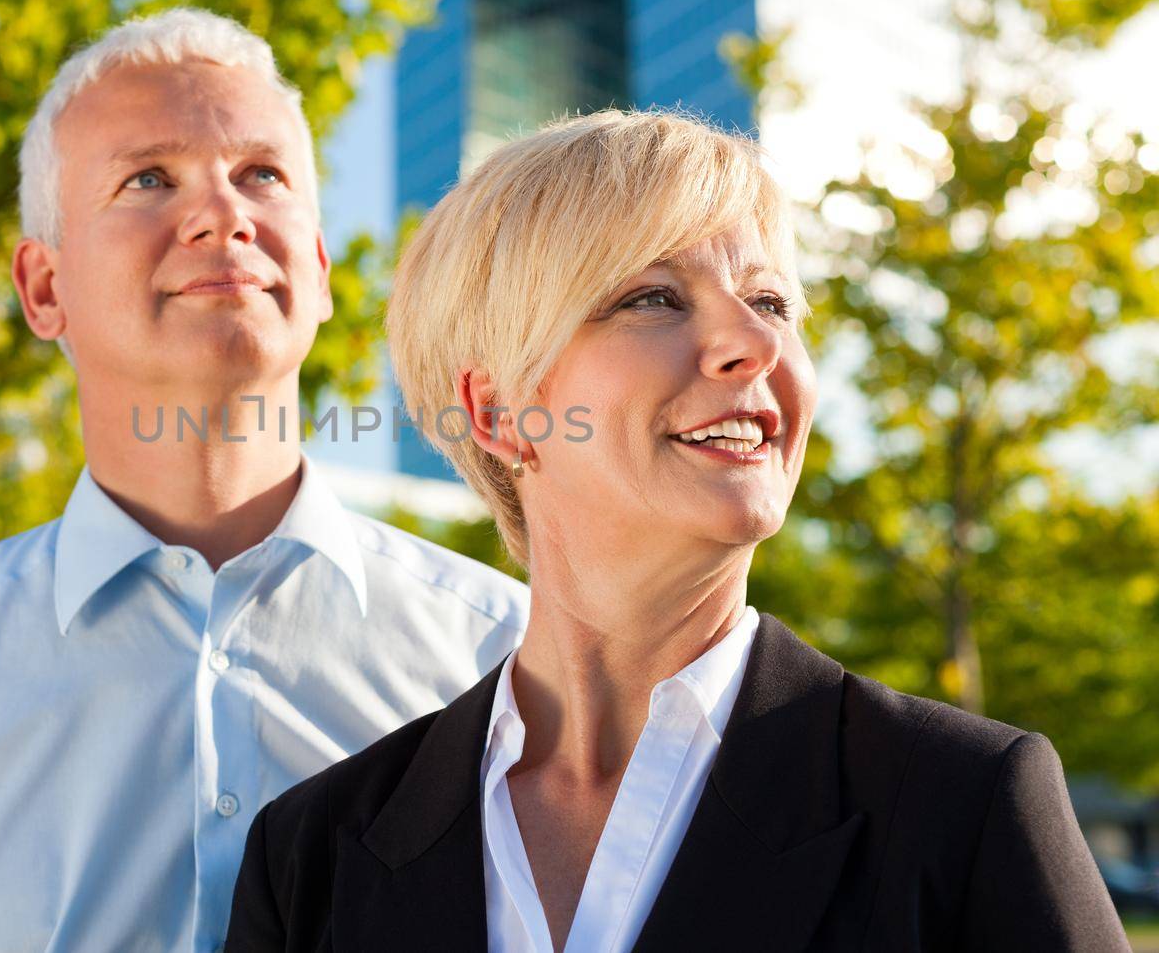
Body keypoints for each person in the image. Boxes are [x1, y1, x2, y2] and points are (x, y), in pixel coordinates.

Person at [225, 110, 1124, 951]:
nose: (753, 344)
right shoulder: (313, 855)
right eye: (654, 297)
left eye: (771, 303)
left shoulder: (963, 804)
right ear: (497, 410)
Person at [0, 8, 527, 953]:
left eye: (261, 175)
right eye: (149, 177)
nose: (222, 212)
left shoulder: (516, 668)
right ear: (44, 288)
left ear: (319, 272)